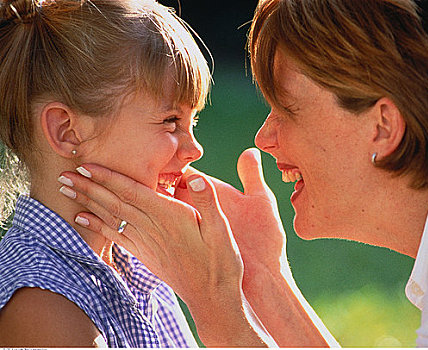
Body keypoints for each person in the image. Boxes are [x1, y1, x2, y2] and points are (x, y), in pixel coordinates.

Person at [55, 0, 428, 347]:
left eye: (287, 110)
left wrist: (215, 300)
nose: (264, 138)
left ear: (383, 127)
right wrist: (261, 279)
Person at [0, 0, 269, 347]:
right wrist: (215, 301)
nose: (195, 150)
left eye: (194, 121)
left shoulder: (139, 266)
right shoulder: (44, 303)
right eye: (171, 121)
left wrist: (254, 279)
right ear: (66, 130)